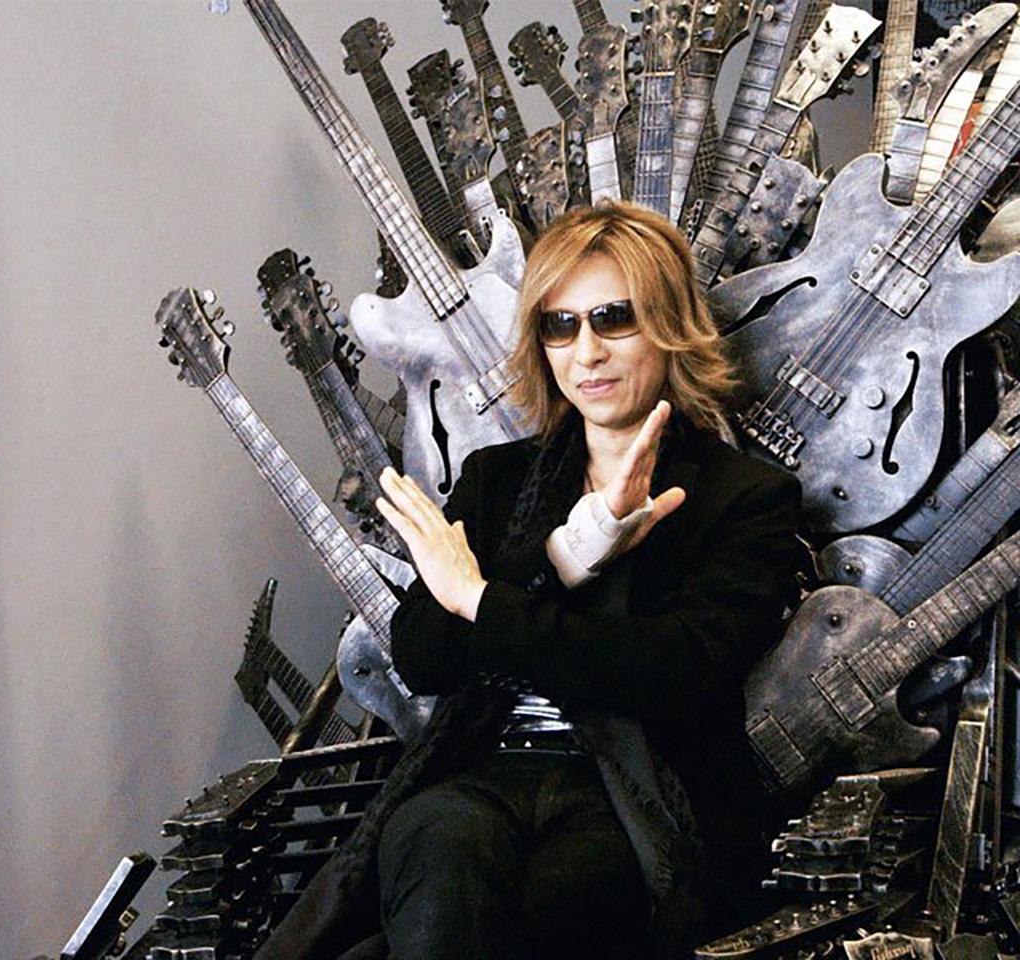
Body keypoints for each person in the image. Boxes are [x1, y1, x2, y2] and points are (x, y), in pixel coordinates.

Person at [255, 201, 806, 960]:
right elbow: (423, 655)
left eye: (614, 318)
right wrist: (562, 555)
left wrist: (479, 598)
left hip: (640, 796)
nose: (588, 352)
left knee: (519, 914)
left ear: (669, 325)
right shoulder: (496, 481)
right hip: (486, 771)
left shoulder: (744, 497)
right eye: (560, 326)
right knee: (437, 840)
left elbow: (671, 673)